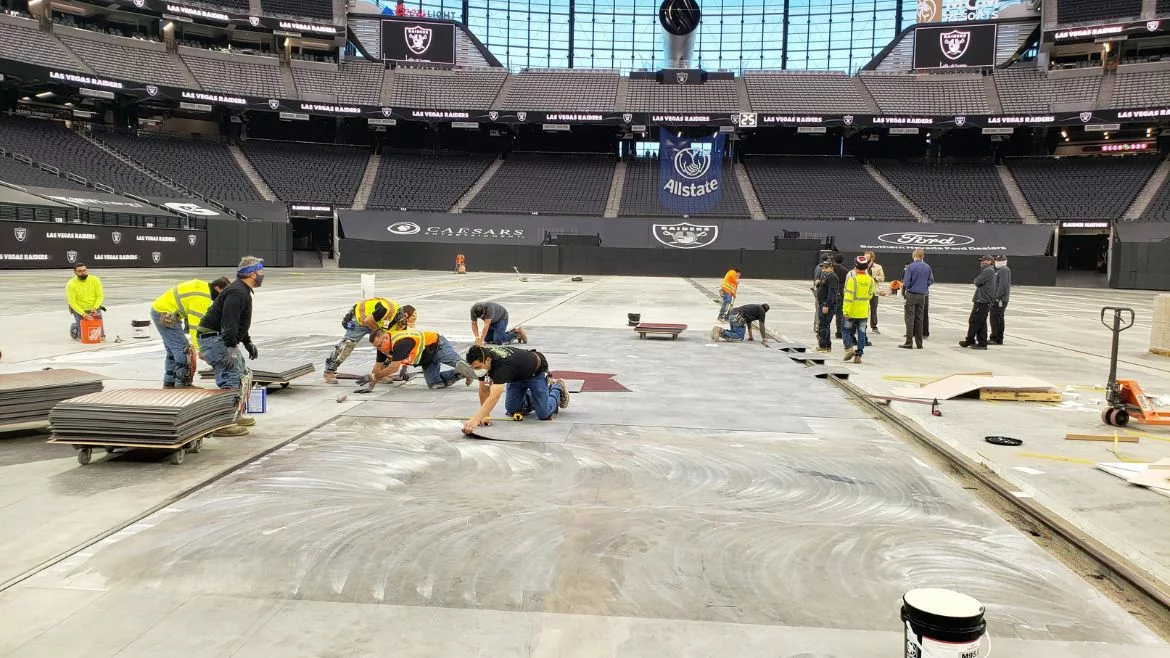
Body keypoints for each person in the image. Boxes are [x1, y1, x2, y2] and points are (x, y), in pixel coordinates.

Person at [198, 256, 264, 436]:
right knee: (231, 375)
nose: (262, 275)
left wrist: (246, 341)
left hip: (221, 338)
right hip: (214, 338)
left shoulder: (242, 291)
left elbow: (239, 322)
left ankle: (234, 414)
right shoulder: (237, 292)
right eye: (261, 271)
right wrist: (230, 349)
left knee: (242, 374)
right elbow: (229, 323)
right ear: (252, 274)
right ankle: (223, 423)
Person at [462, 345, 569, 434]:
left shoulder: (502, 366)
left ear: (488, 360)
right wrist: (485, 416)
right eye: (474, 368)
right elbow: (484, 390)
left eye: (478, 367)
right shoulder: (483, 359)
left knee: (543, 413)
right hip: (516, 377)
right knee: (512, 409)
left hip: (536, 372)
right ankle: (538, 396)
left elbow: (494, 397)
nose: (477, 371)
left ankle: (557, 388)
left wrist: (475, 419)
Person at [151, 276, 230, 387]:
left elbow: (187, 304)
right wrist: (200, 349)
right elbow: (195, 326)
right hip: (164, 314)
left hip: (160, 309)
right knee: (183, 350)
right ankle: (182, 384)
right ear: (217, 288)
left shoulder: (203, 286)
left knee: (172, 349)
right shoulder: (203, 297)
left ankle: (169, 381)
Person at [323, 297, 412, 384]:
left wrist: (405, 367)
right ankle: (329, 371)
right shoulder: (386, 309)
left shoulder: (401, 325)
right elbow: (368, 321)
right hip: (361, 320)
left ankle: (380, 373)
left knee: (388, 344)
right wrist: (379, 333)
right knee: (347, 345)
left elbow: (401, 348)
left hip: (377, 323)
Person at [357, 328, 476, 392]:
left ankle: (489, 378)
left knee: (463, 366)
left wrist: (373, 377)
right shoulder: (383, 348)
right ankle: (461, 374)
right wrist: (370, 387)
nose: (378, 349)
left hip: (437, 346)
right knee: (435, 385)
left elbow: (394, 367)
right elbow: (378, 367)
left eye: (379, 345)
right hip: (426, 358)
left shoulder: (399, 342)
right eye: (376, 346)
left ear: (385, 338)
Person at [842, 256, 876, 364]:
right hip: (863, 312)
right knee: (861, 333)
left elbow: (848, 297)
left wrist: (845, 311)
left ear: (856, 267)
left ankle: (849, 349)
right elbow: (870, 295)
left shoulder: (852, 280)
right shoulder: (871, 280)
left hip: (851, 312)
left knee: (845, 330)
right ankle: (859, 355)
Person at [959, 255, 997, 350]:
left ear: (989, 261)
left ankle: (970, 340)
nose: (981, 263)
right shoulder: (988, 271)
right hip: (982, 300)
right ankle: (982, 342)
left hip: (983, 301)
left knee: (974, 320)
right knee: (981, 322)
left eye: (983, 261)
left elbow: (977, 281)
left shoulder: (988, 271)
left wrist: (977, 281)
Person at [899, 249, 933, 350]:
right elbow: (931, 280)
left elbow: (906, 282)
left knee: (909, 318)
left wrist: (905, 289)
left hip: (911, 294)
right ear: (923, 256)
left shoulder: (910, 267)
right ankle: (919, 343)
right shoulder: (927, 267)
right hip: (922, 295)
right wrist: (923, 286)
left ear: (914, 255)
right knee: (920, 319)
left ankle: (909, 342)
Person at [66, 263, 104, 340]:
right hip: (79, 309)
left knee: (100, 337)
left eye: (84, 270)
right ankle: (75, 329)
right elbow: (72, 302)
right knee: (83, 338)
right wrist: (83, 314)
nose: (83, 273)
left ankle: (78, 324)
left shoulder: (95, 280)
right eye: (80, 271)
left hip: (94, 307)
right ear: (75, 272)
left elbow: (100, 296)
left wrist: (95, 307)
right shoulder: (71, 284)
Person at [815, 260, 839, 353]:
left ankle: (823, 346)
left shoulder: (832, 277)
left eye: (826, 267)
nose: (824, 269)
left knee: (823, 325)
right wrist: (818, 283)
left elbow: (832, 292)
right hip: (823, 303)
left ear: (831, 268)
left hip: (827, 304)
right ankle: (827, 345)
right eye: (823, 267)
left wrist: (826, 305)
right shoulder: (825, 276)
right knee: (825, 324)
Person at [990, 257, 1011, 345]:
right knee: (994, 318)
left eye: (998, 260)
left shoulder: (1004, 270)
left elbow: (1002, 285)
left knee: (997, 318)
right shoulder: (999, 270)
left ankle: (997, 338)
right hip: (997, 299)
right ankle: (994, 337)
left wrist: (997, 297)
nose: (996, 262)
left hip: (1000, 300)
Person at [864, 251, 885, 335]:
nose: (866, 259)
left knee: (874, 309)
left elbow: (882, 278)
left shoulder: (878, 267)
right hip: (864, 290)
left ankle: (874, 326)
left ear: (872, 258)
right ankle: (862, 325)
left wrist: (874, 277)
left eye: (868, 258)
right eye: (865, 257)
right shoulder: (862, 266)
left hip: (874, 291)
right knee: (864, 309)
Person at [811, 254, 831, 333]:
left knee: (817, 308)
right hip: (820, 290)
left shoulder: (817, 266)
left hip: (816, 290)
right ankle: (817, 327)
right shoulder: (822, 268)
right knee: (819, 309)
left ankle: (816, 325)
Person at [832, 253, 849, 338]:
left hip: (830, 292)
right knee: (839, 314)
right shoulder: (845, 271)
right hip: (840, 293)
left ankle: (822, 330)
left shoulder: (831, 269)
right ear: (842, 261)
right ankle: (839, 332)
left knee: (826, 313)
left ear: (834, 259)